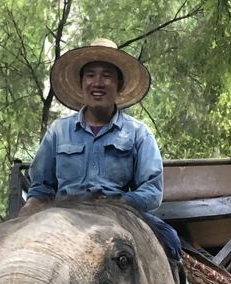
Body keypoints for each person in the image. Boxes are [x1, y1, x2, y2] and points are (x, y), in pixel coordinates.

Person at [21, 38, 182, 270]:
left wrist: (117, 203)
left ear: (119, 84)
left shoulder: (138, 133)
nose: (98, 82)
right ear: (81, 83)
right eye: (90, 75)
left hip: (119, 215)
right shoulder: (59, 131)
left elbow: (152, 192)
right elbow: (41, 187)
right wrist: (29, 209)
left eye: (107, 75)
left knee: (170, 240)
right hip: (63, 216)